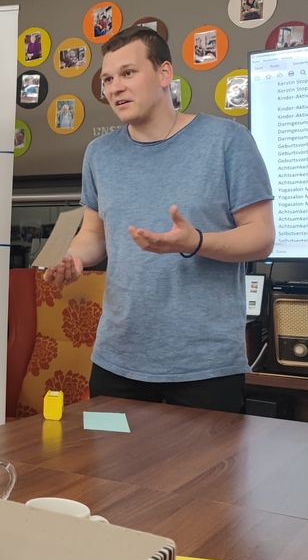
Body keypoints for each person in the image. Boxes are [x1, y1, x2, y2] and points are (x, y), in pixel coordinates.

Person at [43, 27, 274, 413]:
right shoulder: (100, 153)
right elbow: (94, 233)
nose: (115, 87)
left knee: (202, 475)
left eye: (128, 73)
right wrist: (76, 258)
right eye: (107, 79)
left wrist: (195, 242)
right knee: (111, 472)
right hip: (118, 361)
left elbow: (262, 237)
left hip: (205, 368)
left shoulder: (227, 141)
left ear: (164, 74)